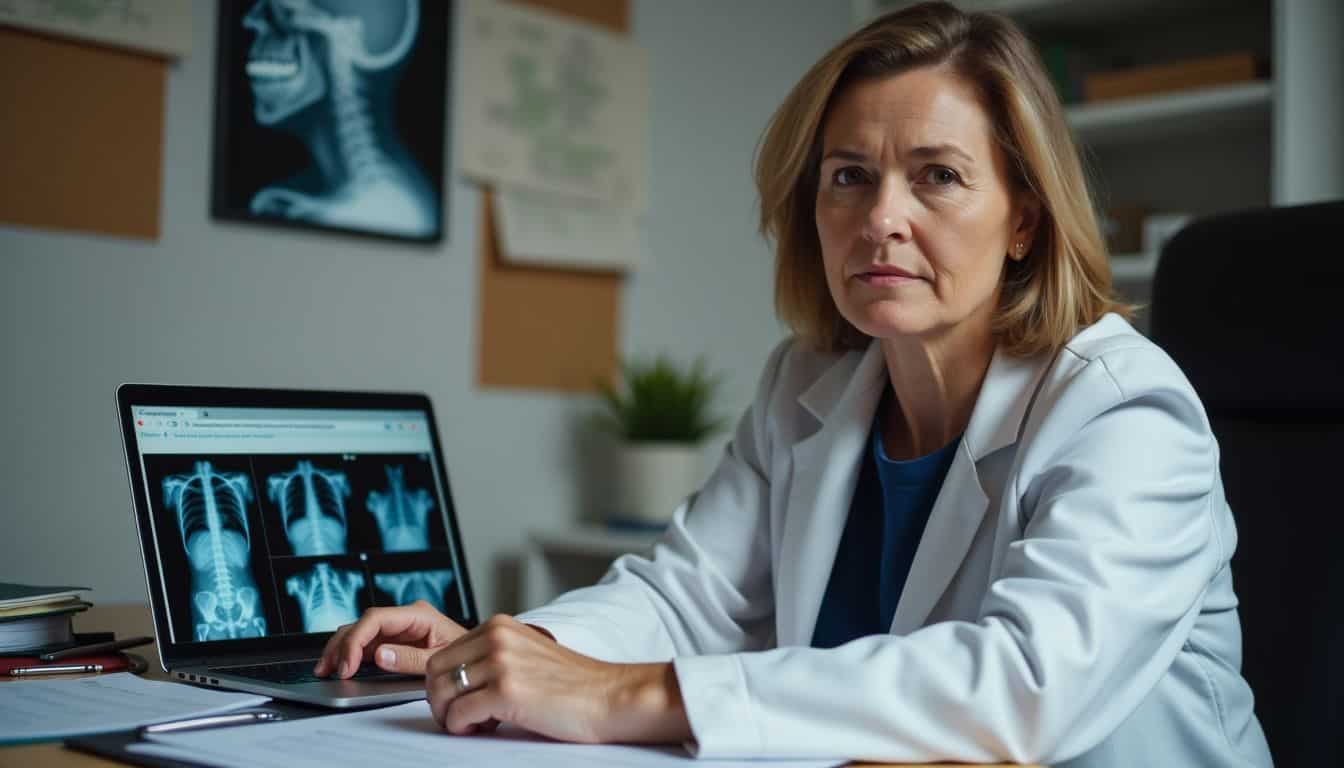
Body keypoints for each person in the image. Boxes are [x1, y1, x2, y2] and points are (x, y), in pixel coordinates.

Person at [315, 3, 1272, 765]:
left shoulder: (1124, 409)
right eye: (848, 176)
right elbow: (685, 598)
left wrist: (626, 696)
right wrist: (507, 653)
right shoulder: (809, 384)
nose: (880, 218)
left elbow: (1024, 687)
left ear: (1024, 218)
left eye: (936, 176)